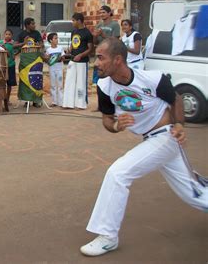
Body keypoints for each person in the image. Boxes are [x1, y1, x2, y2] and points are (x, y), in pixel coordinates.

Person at [80, 37, 207, 257]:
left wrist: (178, 124)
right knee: (193, 194)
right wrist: (117, 126)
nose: (96, 63)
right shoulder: (104, 86)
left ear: (118, 60)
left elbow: (175, 99)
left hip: (165, 137)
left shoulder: (152, 79)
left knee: (118, 173)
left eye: (100, 57)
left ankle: (108, 236)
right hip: (152, 141)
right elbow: (107, 120)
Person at [62, 13, 93, 109]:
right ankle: (68, 103)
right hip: (72, 60)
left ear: (79, 21)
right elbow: (73, 44)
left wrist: (81, 55)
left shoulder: (87, 33)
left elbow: (90, 49)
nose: (72, 22)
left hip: (82, 62)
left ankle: (80, 104)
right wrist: (69, 50)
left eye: (73, 20)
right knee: (69, 81)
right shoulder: (74, 31)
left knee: (81, 83)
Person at [92, 5, 121, 84]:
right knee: (97, 79)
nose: (101, 14)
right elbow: (95, 42)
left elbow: (115, 40)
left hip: (109, 53)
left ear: (109, 13)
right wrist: (95, 36)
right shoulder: (99, 25)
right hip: (99, 54)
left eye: (104, 12)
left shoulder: (115, 25)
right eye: (100, 13)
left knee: (108, 78)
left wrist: (103, 34)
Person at [44, 33, 64, 107]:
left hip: (59, 69)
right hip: (52, 69)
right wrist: (47, 58)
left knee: (60, 85)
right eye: (55, 38)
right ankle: (54, 101)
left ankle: (61, 102)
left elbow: (63, 57)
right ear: (50, 40)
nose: (57, 40)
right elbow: (47, 60)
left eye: (57, 38)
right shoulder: (48, 50)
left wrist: (60, 58)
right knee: (53, 85)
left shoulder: (60, 48)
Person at [3, 29, 18, 104]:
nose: (7, 35)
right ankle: (3, 98)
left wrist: (14, 54)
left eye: (9, 34)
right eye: (6, 34)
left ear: (12, 36)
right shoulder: (1, 43)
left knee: (9, 84)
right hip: (3, 66)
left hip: (11, 65)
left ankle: (7, 99)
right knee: (2, 83)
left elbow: (14, 55)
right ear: (4, 35)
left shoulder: (13, 44)